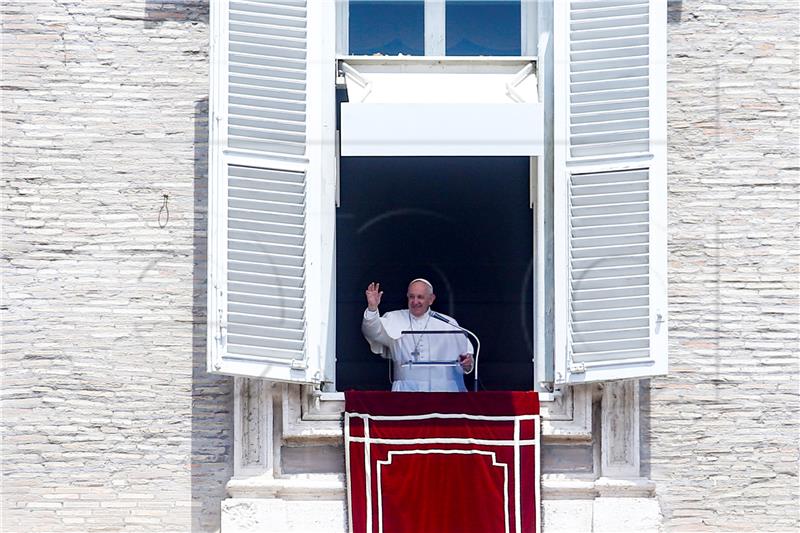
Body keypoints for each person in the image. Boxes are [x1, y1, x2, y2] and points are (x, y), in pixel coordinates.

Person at [361, 278, 474, 392]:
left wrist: (467, 364)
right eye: (411, 297)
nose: (415, 301)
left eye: (420, 297)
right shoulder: (394, 318)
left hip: (442, 391)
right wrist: (372, 308)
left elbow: (466, 360)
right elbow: (372, 332)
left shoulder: (448, 323)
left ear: (431, 299)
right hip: (405, 391)